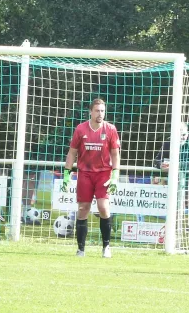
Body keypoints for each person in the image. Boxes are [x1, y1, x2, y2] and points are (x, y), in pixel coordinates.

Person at [61, 98, 120, 258]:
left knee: (103, 207)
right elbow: (72, 152)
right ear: (91, 112)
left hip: (103, 174)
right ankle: (81, 249)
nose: (100, 114)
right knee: (83, 210)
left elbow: (115, 153)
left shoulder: (110, 129)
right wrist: (66, 174)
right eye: (97, 110)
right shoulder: (81, 129)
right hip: (85, 173)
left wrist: (115, 175)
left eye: (102, 110)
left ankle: (106, 246)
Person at [154, 123, 189, 225]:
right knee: (173, 203)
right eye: (178, 135)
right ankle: (173, 225)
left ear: (187, 132)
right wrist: (162, 165)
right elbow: (157, 160)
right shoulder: (169, 142)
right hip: (173, 180)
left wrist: (175, 165)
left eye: (183, 135)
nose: (181, 137)